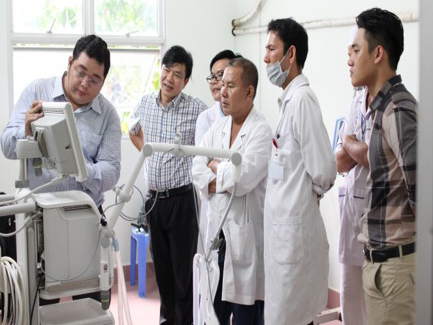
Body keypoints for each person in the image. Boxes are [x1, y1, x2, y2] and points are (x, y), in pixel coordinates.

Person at [1, 34, 122, 303]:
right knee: (40, 299)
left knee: (90, 297)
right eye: (81, 72)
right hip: (37, 215)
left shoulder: (108, 116)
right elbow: (7, 147)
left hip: (85, 216)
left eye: (95, 79)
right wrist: (26, 129)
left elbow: (112, 171)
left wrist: (80, 168)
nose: (85, 84)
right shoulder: (38, 92)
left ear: (103, 81)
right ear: (69, 63)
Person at [262, 18, 336, 325]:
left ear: (290, 54)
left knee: (293, 318)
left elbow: (324, 169)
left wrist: (311, 196)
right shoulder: (288, 100)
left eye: (271, 49)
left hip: (294, 235)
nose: (265, 58)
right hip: (284, 234)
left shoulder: (303, 100)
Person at [129, 45, 207, 325]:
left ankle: (185, 321)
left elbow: (214, 141)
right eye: (166, 70)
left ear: (185, 81)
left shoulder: (196, 109)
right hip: (153, 201)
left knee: (183, 273)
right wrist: (147, 153)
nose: (169, 78)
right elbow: (133, 130)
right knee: (161, 269)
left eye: (177, 74)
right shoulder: (145, 103)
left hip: (182, 201)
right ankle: (166, 320)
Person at [350, 8, 417, 325]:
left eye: (356, 49)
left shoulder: (399, 110)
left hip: (397, 269)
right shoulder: (380, 108)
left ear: (378, 54)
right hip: (380, 266)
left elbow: (423, 196)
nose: (350, 57)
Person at [192, 57, 271, 324]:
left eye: (230, 86)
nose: (222, 92)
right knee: (212, 313)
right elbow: (196, 167)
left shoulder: (261, 131)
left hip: (244, 241)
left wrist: (215, 169)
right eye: (221, 84)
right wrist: (217, 176)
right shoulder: (217, 128)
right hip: (217, 239)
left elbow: (244, 178)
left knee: (245, 315)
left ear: (249, 92)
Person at [195, 49, 240, 255]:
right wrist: (228, 171)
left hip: (239, 207)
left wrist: (217, 166)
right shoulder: (205, 118)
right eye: (212, 76)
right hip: (212, 204)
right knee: (210, 270)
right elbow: (201, 164)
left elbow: (244, 171)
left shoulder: (250, 121)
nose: (215, 81)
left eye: (220, 75)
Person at [336, 86, 371, 324]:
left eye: (355, 52)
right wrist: (352, 144)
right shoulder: (356, 102)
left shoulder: (393, 105)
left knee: (373, 300)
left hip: (376, 216)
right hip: (352, 211)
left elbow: (374, 156)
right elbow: (340, 161)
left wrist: (350, 144)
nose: (350, 61)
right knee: (350, 293)